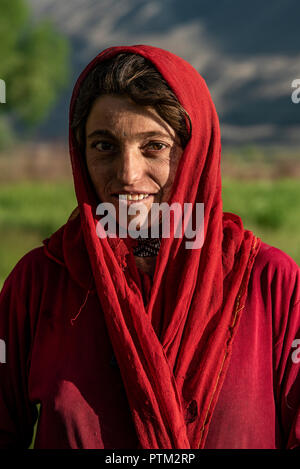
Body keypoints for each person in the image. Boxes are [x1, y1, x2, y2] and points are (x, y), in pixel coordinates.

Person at [0, 45, 299, 449]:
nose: (127, 173)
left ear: (195, 153)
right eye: (104, 146)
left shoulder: (270, 285)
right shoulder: (39, 283)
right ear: (80, 153)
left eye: (154, 146)